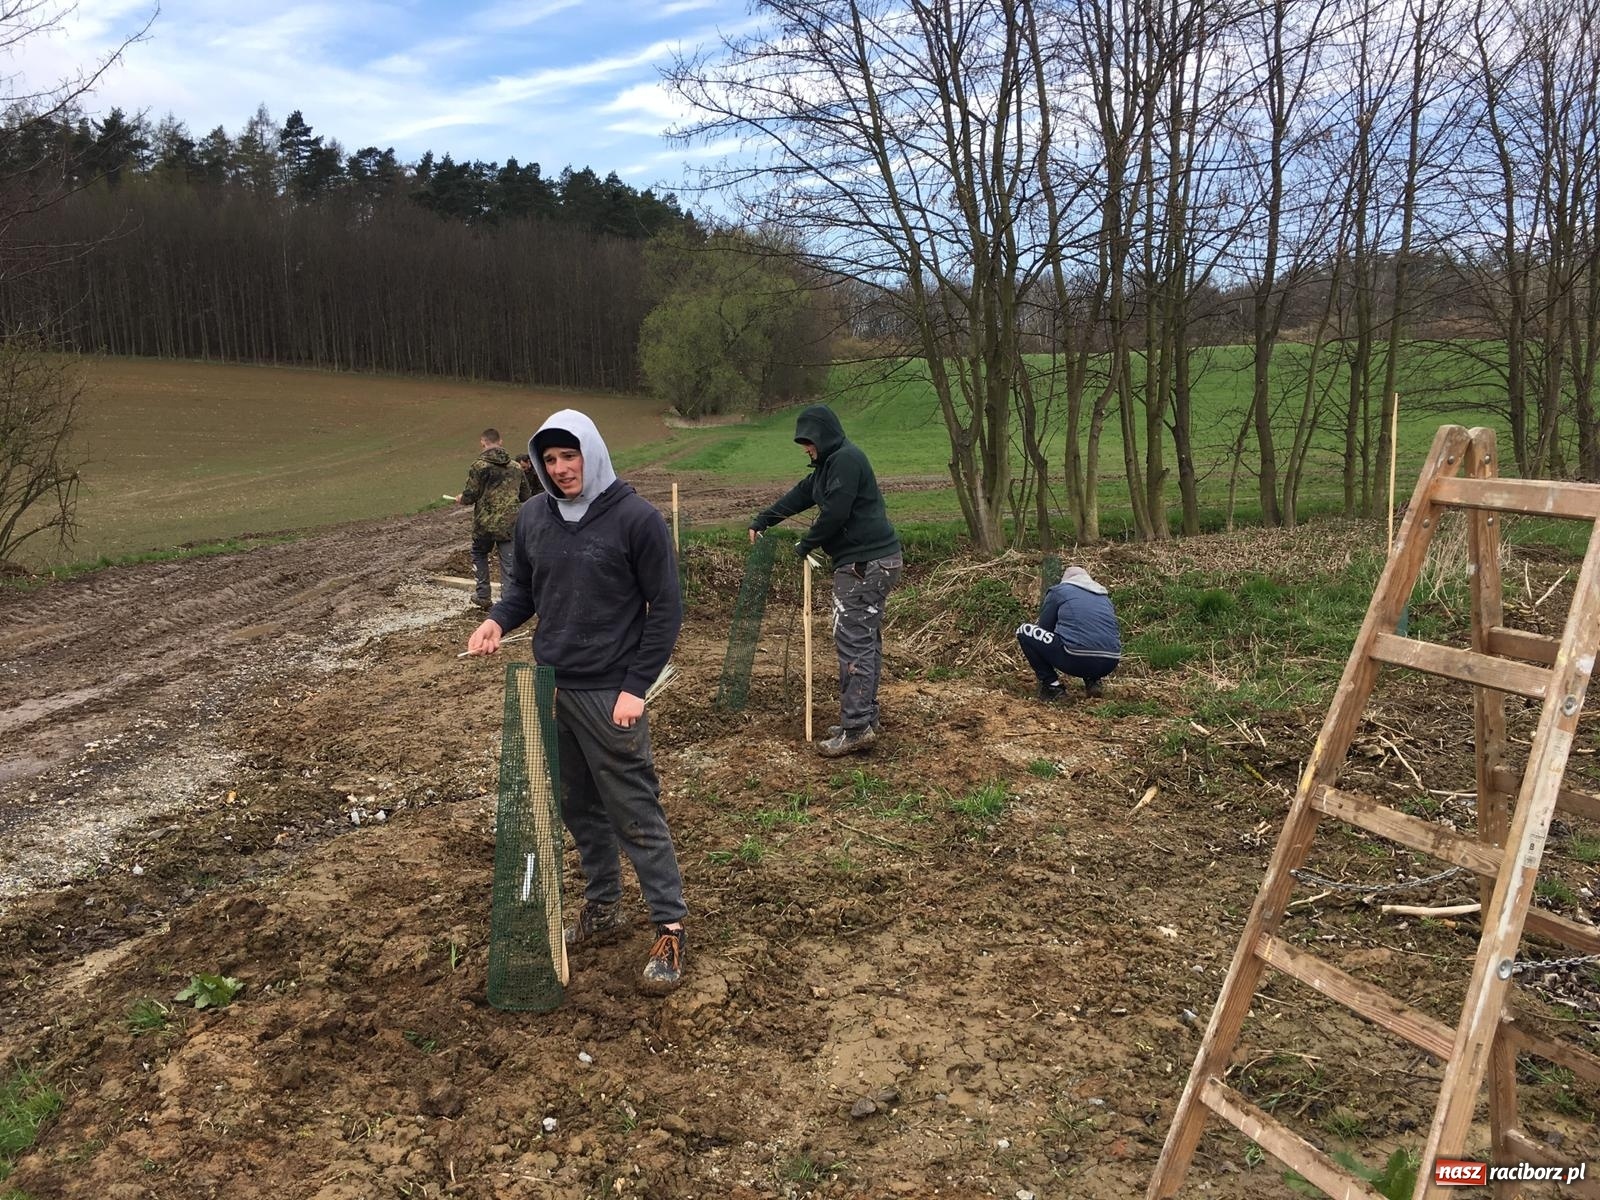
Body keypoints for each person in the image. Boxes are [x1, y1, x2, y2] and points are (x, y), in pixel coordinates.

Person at [466, 410, 688, 995]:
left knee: (633, 810)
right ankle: (603, 904)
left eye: (571, 456)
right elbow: (522, 590)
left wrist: (635, 687)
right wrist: (495, 622)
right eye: (551, 459)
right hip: (552, 688)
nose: (561, 469)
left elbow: (665, 608)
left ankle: (669, 926)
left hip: (612, 694)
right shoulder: (533, 517)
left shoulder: (636, 520)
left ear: (592, 452)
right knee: (575, 805)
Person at [749, 404, 902, 758]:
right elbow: (802, 495)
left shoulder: (846, 460)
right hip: (873, 561)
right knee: (865, 640)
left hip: (865, 564)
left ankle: (856, 727)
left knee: (854, 641)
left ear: (824, 435)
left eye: (809, 441)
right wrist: (764, 520)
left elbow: (836, 511)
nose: (806, 448)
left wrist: (807, 543)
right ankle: (864, 718)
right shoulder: (828, 466)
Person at [1017, 565, 1122, 701]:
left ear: (1066, 580)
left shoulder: (1059, 591)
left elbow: (1044, 629)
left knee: (1024, 630)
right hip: (1110, 661)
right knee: (1091, 637)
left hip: (1075, 658)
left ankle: (1052, 686)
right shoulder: (1104, 597)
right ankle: (1093, 682)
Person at [457, 428, 532, 610]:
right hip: (509, 523)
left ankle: (483, 594)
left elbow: (470, 495)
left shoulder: (479, 466)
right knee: (508, 561)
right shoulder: (515, 467)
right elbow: (525, 495)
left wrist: (462, 499)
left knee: (479, 553)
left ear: (483, 443)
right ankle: (507, 601)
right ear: (501, 441)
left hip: (484, 522)